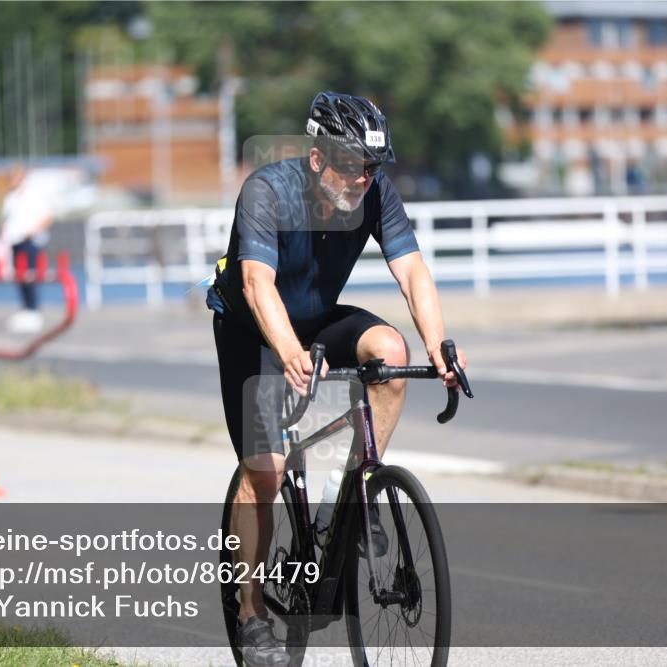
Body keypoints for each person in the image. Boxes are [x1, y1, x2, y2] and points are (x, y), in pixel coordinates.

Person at [207, 91, 466, 665]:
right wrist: (290, 352)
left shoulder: (375, 192)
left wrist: (437, 345)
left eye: (373, 167)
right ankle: (250, 614)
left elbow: (412, 271)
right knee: (266, 472)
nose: (364, 179)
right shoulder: (267, 191)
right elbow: (255, 284)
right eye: (353, 166)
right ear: (318, 158)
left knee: (390, 350)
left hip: (317, 317)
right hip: (253, 328)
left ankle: (349, 494)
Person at [0, 164, 54, 334]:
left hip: (30, 241)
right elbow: (7, 219)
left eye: (14, 177)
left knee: (29, 275)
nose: (11, 180)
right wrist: (3, 232)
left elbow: (48, 217)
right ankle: (25, 308)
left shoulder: (33, 196)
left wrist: (32, 232)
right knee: (19, 275)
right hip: (14, 241)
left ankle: (33, 310)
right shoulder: (10, 198)